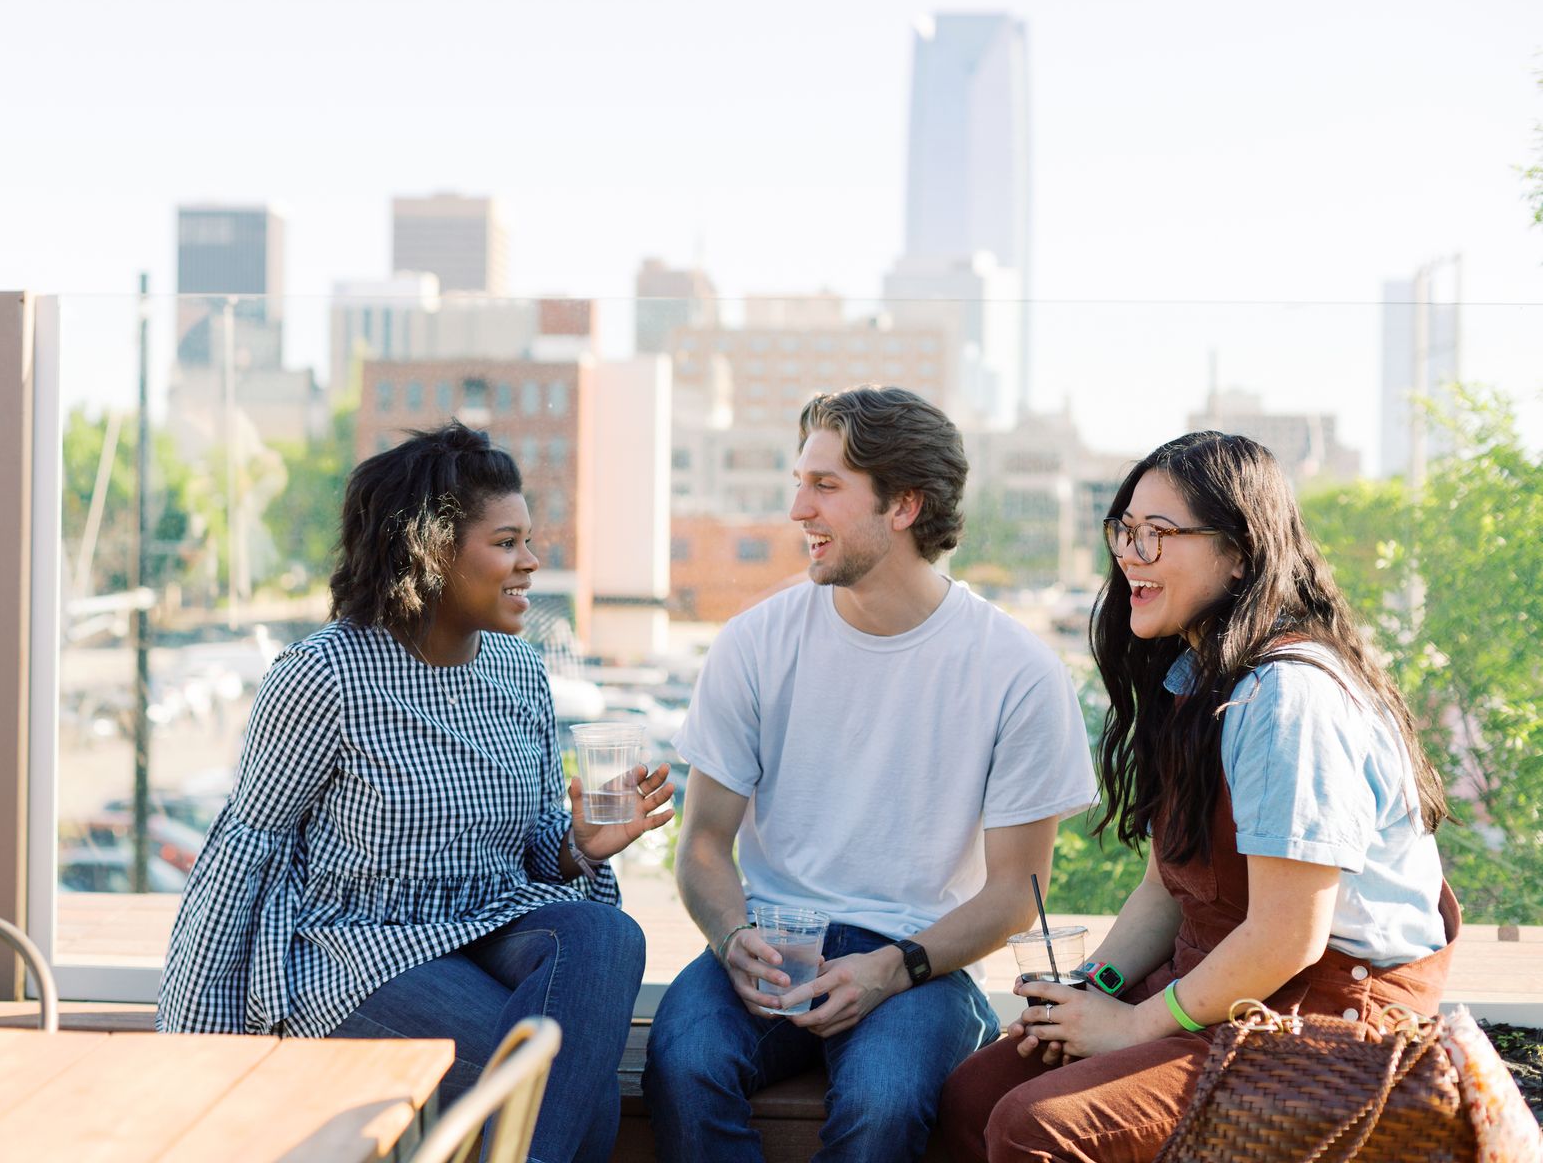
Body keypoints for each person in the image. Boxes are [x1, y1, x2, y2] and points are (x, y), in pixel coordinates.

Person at [157, 422, 674, 1163]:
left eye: (528, 541)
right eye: (507, 543)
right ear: (432, 551)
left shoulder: (518, 671)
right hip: (361, 950)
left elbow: (531, 847)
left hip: (491, 923)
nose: (531, 563)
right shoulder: (325, 676)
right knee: (577, 1093)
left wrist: (577, 846)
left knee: (607, 936)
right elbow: (245, 852)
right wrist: (194, 1050)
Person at [938, 430, 1459, 1163]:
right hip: (1226, 985)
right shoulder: (1196, 681)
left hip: (1331, 1020)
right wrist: (1092, 988)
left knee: (1040, 1126)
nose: (1131, 554)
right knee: (972, 1096)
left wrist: (1129, 1026)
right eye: (1125, 530)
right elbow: (1168, 887)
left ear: (1240, 553)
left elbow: (1287, 935)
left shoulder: (1286, 699)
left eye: (1160, 533)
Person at [643, 386, 1098, 1162]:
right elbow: (705, 844)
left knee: (882, 1102)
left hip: (922, 959)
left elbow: (1015, 894)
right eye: (799, 483)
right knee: (684, 1063)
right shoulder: (754, 643)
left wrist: (892, 968)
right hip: (773, 938)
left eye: (825, 486)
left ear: (904, 506)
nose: (798, 510)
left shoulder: (1017, 670)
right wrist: (732, 935)